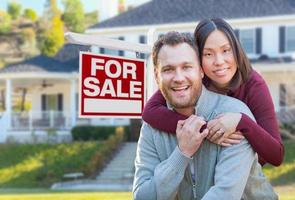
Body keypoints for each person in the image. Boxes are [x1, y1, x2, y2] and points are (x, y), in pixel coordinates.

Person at [133, 31, 277, 200]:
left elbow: (224, 195)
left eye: (186, 67)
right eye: (168, 69)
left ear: (201, 71)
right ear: (157, 77)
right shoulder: (151, 127)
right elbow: (142, 196)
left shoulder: (233, 117)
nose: (178, 78)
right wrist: (182, 153)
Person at [142, 18, 284, 167]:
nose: (219, 61)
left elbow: (276, 154)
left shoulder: (253, 84)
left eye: (226, 50)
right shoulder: (192, 80)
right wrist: (209, 129)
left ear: (236, 50)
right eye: (208, 54)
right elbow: (150, 111)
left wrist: (241, 122)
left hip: (244, 170)